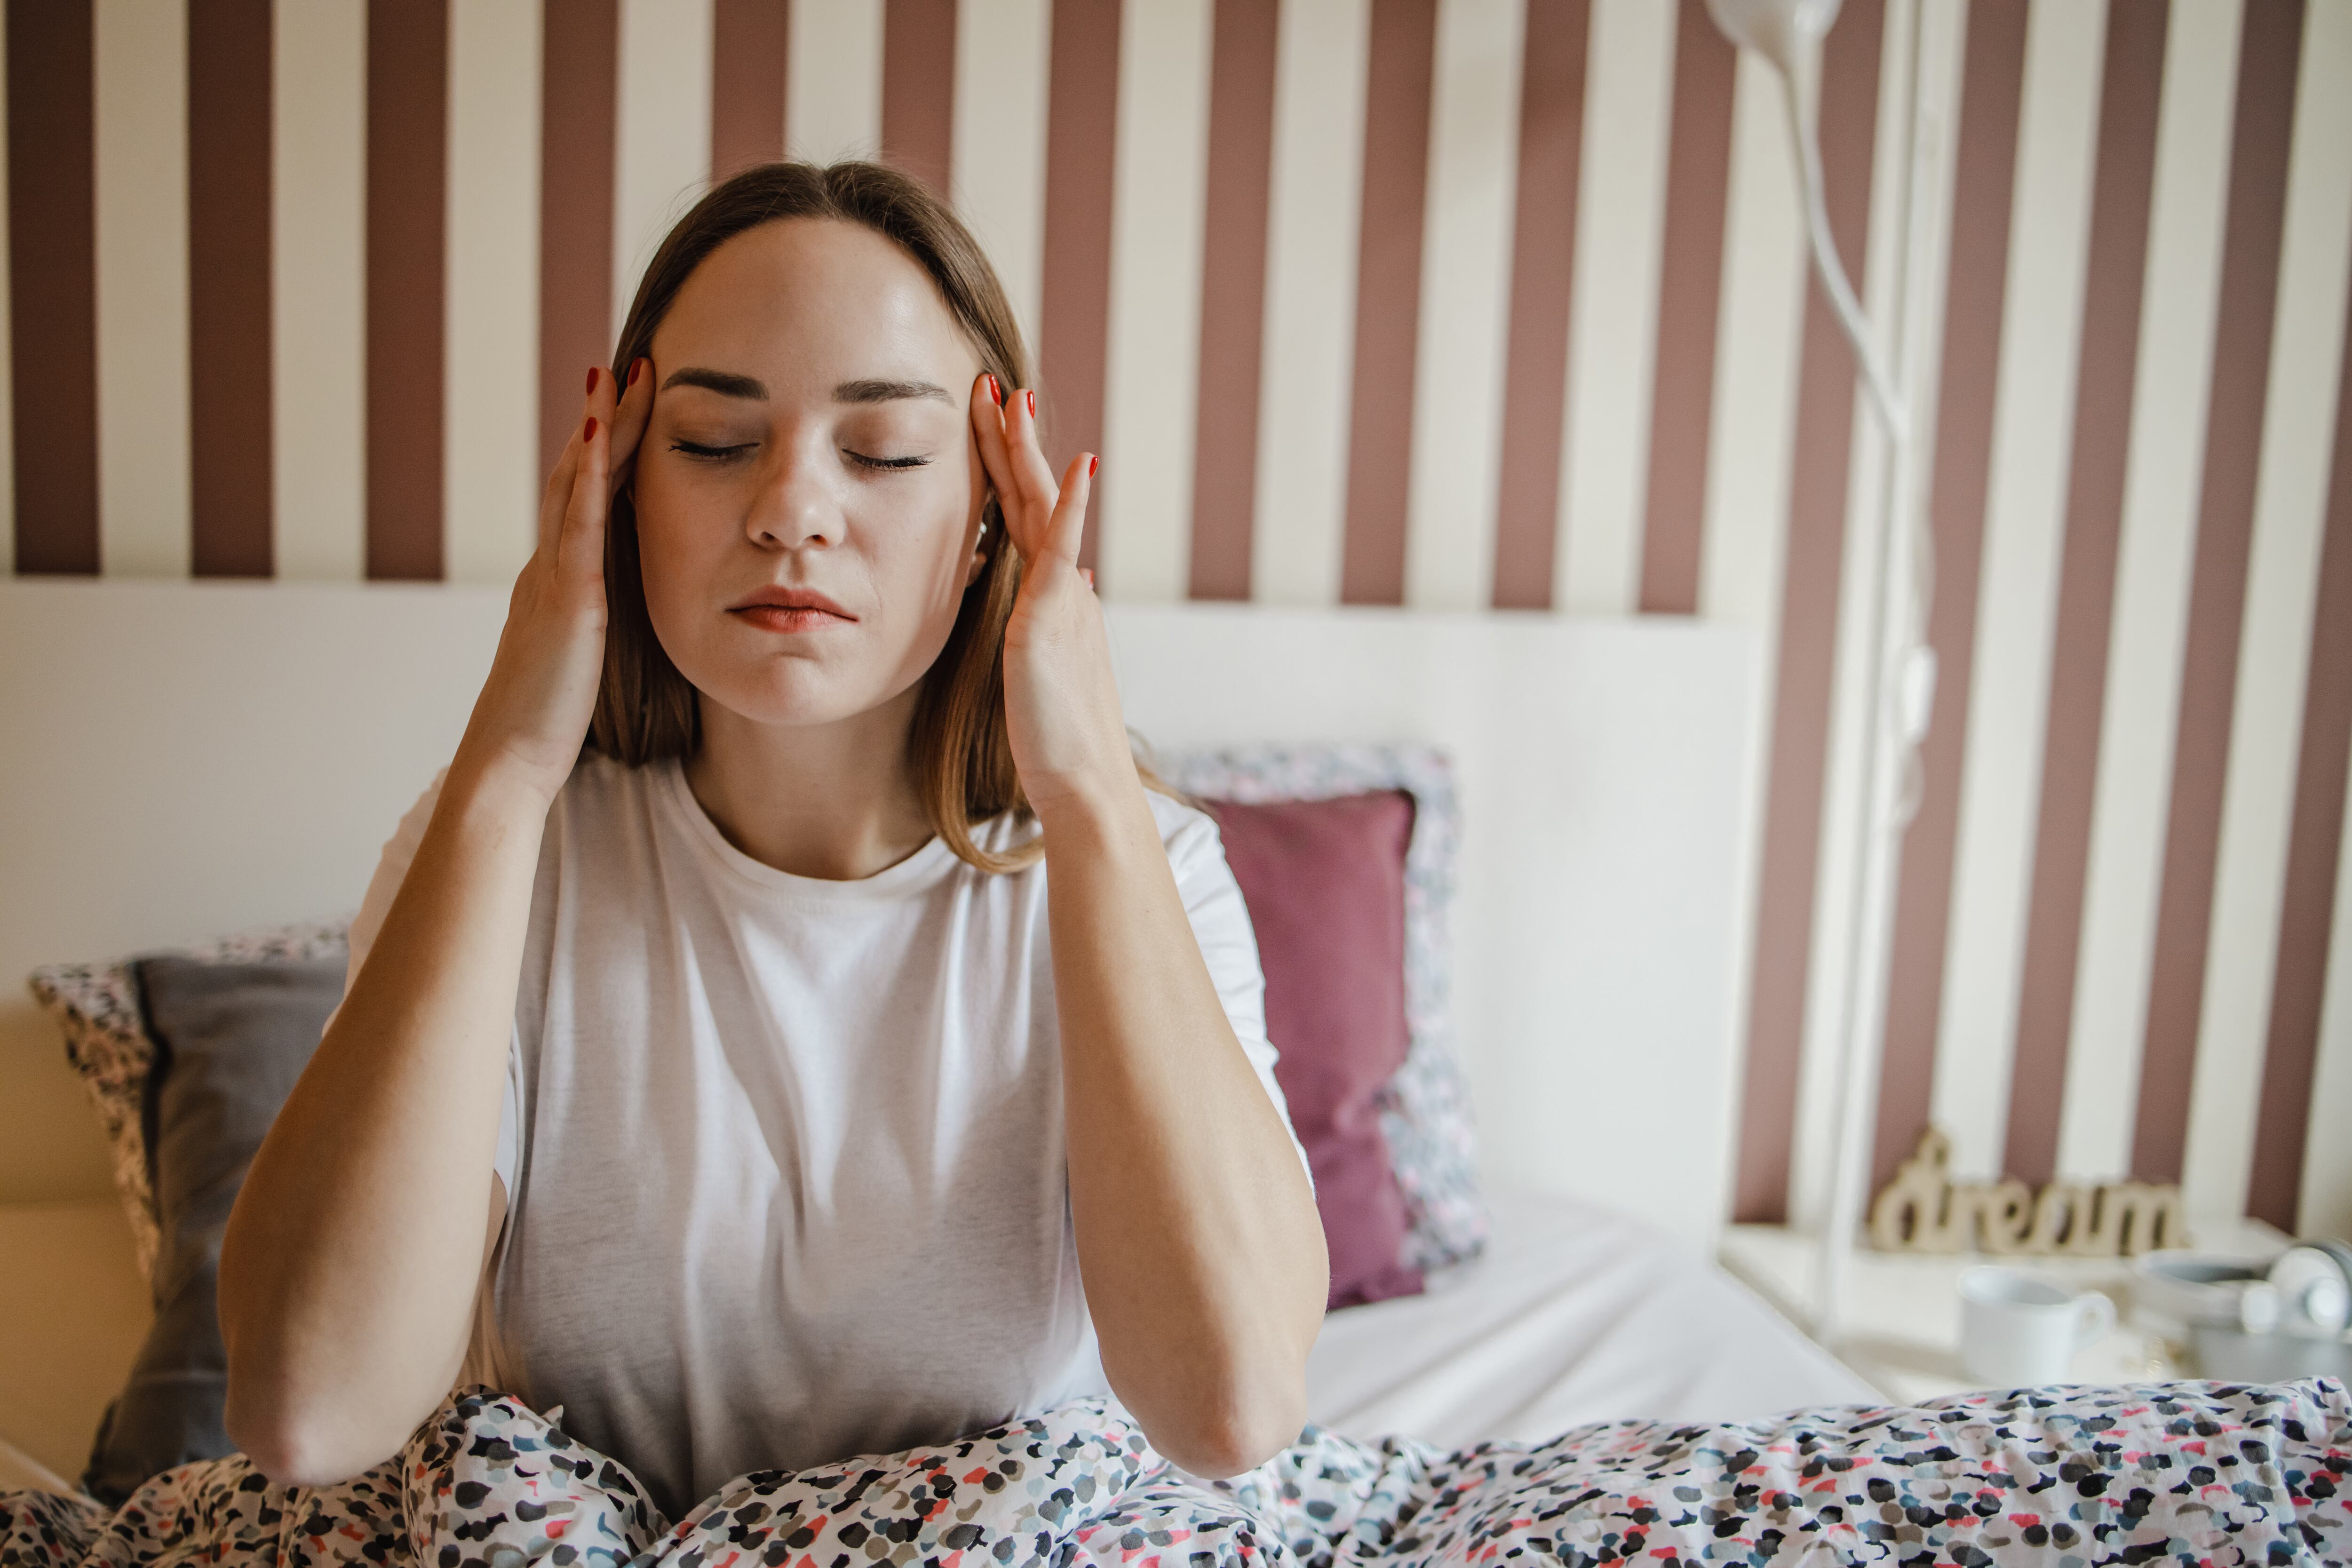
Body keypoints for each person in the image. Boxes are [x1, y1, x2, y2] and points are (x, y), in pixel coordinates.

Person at [215, 161, 1329, 1521]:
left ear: (989, 512)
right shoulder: (506, 860)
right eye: (714, 441)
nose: (793, 509)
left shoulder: (1141, 868)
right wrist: (505, 771)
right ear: (618, 488)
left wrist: (1089, 786)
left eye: (884, 452)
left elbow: (1233, 1406)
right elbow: (309, 1405)